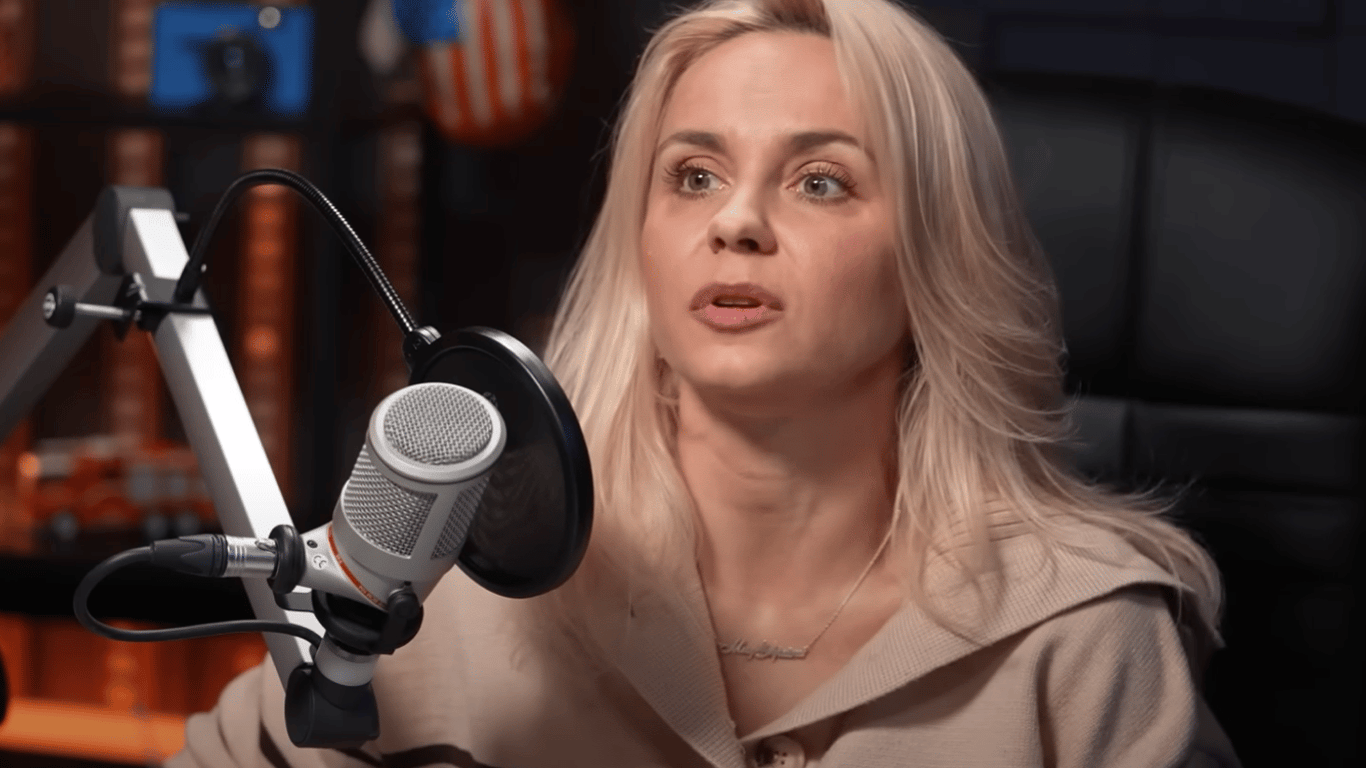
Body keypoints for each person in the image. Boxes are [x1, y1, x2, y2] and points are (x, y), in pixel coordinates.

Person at [166, 0, 1242, 766]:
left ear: (933, 258)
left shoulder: (1083, 636)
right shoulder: (450, 580)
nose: (735, 221)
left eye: (820, 180)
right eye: (693, 174)